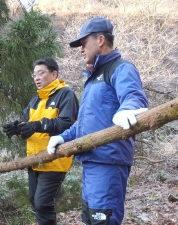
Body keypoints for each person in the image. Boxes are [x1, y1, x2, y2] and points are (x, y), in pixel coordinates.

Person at [46, 17, 149, 225]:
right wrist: (62, 136)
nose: (81, 49)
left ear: (100, 39)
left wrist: (127, 110)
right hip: (90, 162)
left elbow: (134, 97)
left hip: (108, 163)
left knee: (104, 221)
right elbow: (85, 123)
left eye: (84, 43)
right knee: (90, 219)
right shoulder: (92, 80)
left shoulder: (120, 68)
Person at [3, 57, 79, 225]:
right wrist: (17, 129)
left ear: (54, 74)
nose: (36, 78)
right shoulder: (35, 100)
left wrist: (38, 125)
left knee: (43, 204)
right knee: (35, 201)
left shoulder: (65, 94)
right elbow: (28, 128)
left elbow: (66, 123)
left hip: (54, 158)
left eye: (41, 73)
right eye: (34, 74)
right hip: (34, 160)